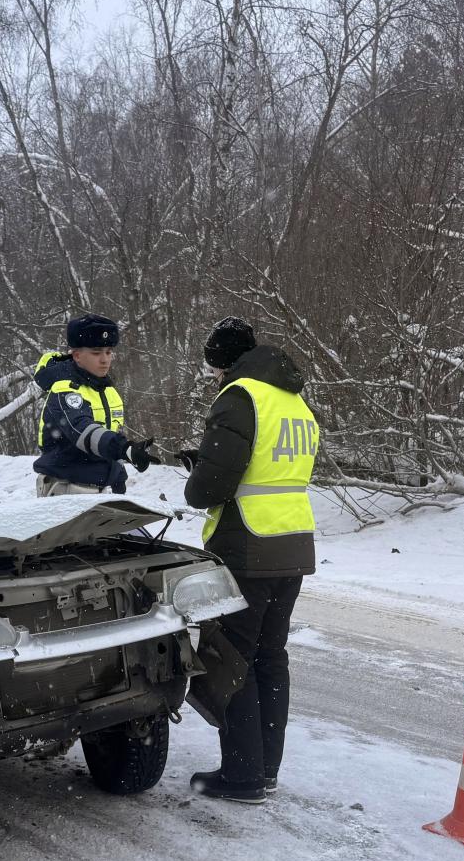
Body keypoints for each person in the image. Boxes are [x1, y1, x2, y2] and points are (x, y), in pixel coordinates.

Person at [182, 316, 318, 804]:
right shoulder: (293, 399)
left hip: (246, 545)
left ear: (223, 362)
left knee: (233, 659)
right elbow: (268, 466)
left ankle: (242, 775)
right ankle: (266, 769)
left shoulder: (240, 396)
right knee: (271, 657)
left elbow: (210, 489)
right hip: (293, 542)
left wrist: (197, 475)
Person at [32, 313, 158, 496]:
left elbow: (110, 434)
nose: (105, 359)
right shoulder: (65, 389)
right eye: (96, 353)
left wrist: (118, 476)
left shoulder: (108, 391)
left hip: (98, 491)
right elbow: (83, 431)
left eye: (108, 352)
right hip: (64, 488)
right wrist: (124, 448)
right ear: (77, 355)